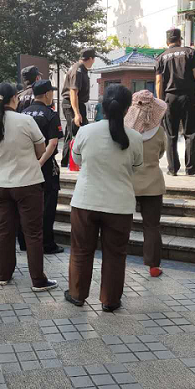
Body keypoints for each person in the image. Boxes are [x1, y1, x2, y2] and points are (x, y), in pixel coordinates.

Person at [64, 84, 143, 312]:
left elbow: (77, 160)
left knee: (81, 250)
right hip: (119, 205)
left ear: (103, 105)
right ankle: (110, 300)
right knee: (115, 254)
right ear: (127, 109)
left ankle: (77, 294)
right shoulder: (135, 137)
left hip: (85, 201)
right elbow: (136, 167)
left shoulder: (85, 132)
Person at [0, 82, 58, 292]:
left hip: (2, 184)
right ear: (14, 99)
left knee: (4, 230)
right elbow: (40, 150)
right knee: (33, 233)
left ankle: (3, 275)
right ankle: (38, 280)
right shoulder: (26, 121)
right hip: (28, 184)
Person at [125, 90, 167, 277]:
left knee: (122, 224)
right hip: (153, 184)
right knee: (151, 226)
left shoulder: (125, 131)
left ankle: (119, 259)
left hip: (128, 182)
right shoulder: (159, 131)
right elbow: (161, 153)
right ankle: (153, 266)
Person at [155, 28, 195, 176]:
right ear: (179, 40)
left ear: (167, 42)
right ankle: (191, 168)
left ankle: (172, 169)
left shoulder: (161, 57)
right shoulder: (189, 52)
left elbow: (159, 81)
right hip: (188, 97)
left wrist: (160, 101)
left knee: (171, 135)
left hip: (169, 98)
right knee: (190, 133)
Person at [21, 80, 64, 254]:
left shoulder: (23, 113)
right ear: (47, 94)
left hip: (25, 164)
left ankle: (24, 241)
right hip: (45, 167)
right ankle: (47, 243)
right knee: (47, 205)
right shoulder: (50, 114)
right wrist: (41, 162)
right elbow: (52, 143)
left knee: (26, 205)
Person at [61, 49, 97, 167]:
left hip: (76, 103)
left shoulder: (80, 69)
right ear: (90, 58)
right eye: (93, 59)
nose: (93, 61)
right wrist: (76, 113)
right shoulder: (78, 70)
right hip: (73, 104)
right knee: (76, 132)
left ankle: (67, 161)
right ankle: (72, 161)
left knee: (72, 132)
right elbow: (73, 92)